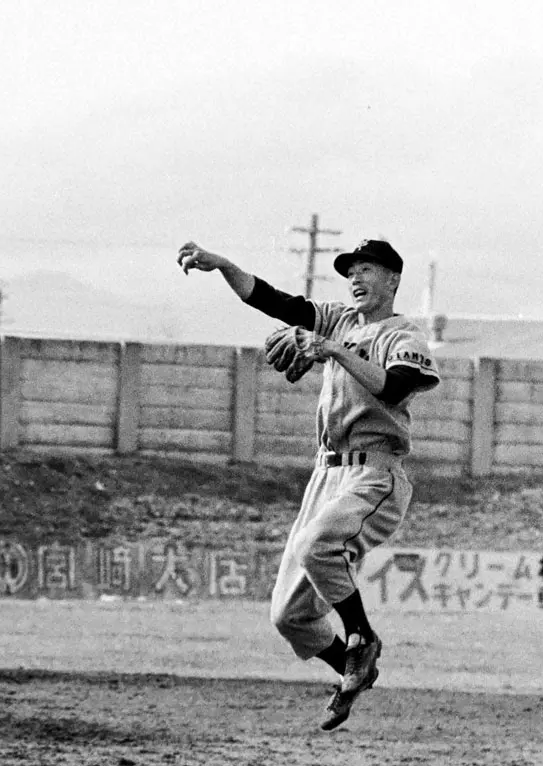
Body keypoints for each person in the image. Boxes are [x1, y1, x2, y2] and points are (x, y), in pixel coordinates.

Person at [177, 237, 440, 731]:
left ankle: (362, 638)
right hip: (326, 473)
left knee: (316, 543)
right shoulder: (338, 319)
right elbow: (271, 300)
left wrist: (332, 350)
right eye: (351, 271)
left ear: (393, 280)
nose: (356, 278)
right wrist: (224, 265)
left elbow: (395, 385)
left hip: (374, 473)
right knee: (290, 615)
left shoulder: (403, 336)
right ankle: (350, 670)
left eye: (368, 269)